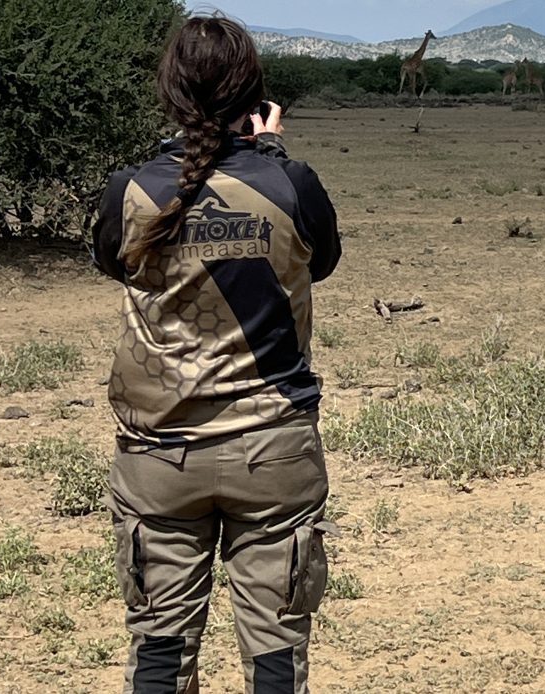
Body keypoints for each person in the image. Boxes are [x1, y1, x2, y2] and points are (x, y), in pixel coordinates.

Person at [91, 14, 341, 694]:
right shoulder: (291, 184)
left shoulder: (131, 191)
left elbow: (118, 266)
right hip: (275, 451)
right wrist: (272, 156)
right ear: (253, 97)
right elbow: (321, 263)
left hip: (158, 457)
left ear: (170, 91)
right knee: (275, 660)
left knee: (160, 655)